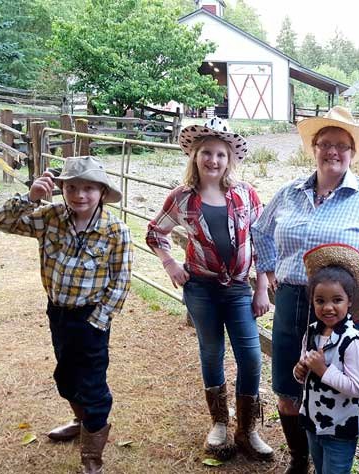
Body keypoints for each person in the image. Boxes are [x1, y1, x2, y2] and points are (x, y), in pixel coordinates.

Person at [251, 105, 359, 473]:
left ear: (352, 152)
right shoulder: (290, 192)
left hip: (349, 308)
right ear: (313, 147)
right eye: (325, 143)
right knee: (288, 389)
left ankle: (335, 464)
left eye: (341, 145)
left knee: (341, 390)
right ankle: (300, 460)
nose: (333, 152)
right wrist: (268, 271)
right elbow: (260, 230)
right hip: (294, 300)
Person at [0, 156, 133, 474]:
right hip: (58, 313)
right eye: (71, 187)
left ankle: (92, 458)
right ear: (62, 189)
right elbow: (1, 222)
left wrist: (99, 321)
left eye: (88, 188)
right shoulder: (50, 216)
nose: (79, 195)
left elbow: (121, 281)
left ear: (101, 191)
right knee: (66, 377)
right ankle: (79, 420)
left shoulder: (115, 231)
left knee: (93, 384)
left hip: (92, 318)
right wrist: (29, 199)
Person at [146, 118, 274, 461]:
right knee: (211, 350)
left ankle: (247, 428)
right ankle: (219, 423)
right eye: (206, 153)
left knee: (250, 355)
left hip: (237, 289)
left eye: (220, 154)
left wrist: (261, 286)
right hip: (201, 287)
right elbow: (154, 233)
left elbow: (262, 240)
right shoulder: (182, 197)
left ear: (230, 159)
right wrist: (170, 264)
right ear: (195, 156)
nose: (213, 160)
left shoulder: (245, 194)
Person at [294, 244, 359, 474]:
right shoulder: (312, 332)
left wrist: (322, 371)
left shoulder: (353, 342)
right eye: (320, 300)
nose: (328, 307)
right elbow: (306, 366)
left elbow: (358, 387)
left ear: (349, 301)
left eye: (336, 300)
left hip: (341, 427)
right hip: (314, 421)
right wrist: (300, 371)